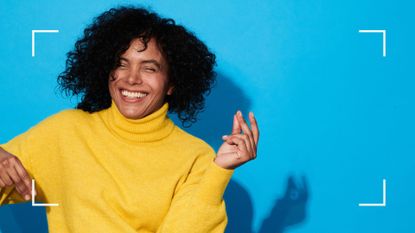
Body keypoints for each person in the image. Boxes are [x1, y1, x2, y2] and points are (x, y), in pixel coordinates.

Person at [0, 6, 259, 233]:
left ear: (172, 83)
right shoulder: (65, 131)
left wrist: (219, 172)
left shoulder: (197, 157)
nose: (132, 78)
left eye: (149, 68)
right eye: (121, 64)